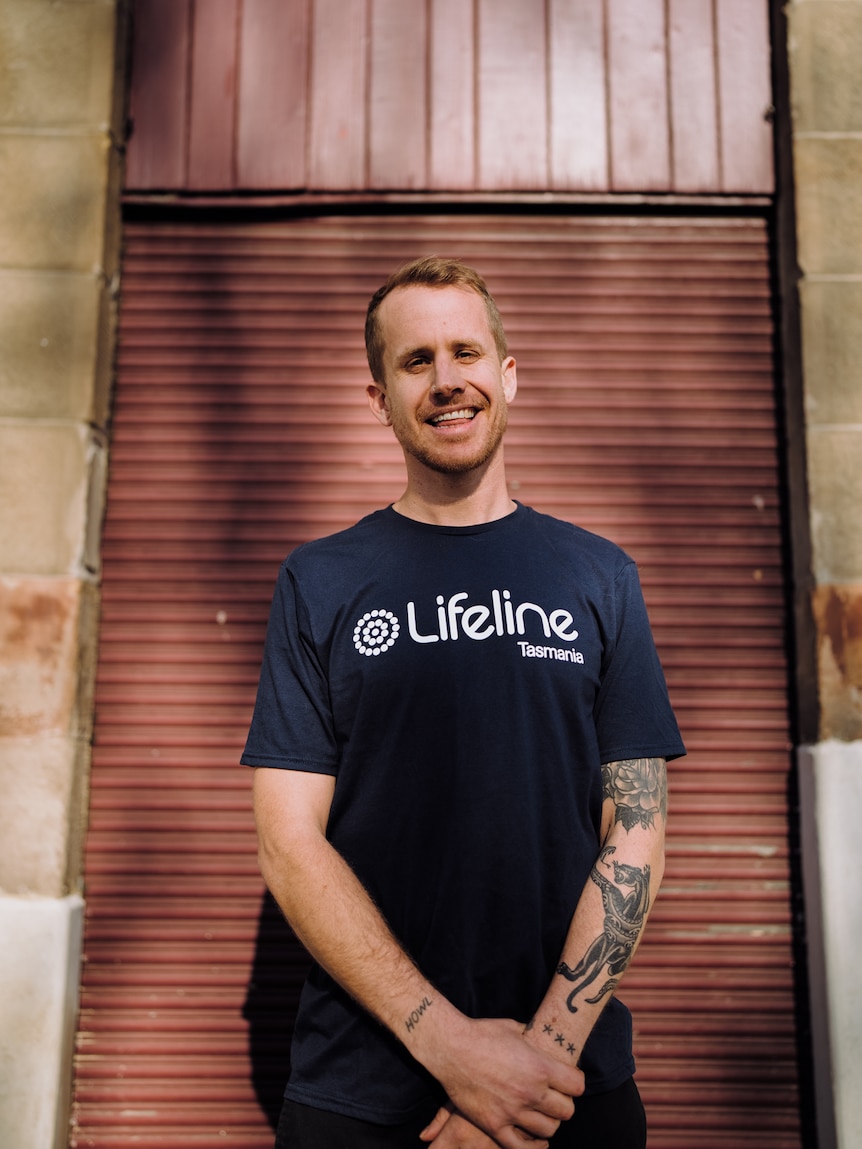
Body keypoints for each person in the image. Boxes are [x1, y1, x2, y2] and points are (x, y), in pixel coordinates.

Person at [242, 256, 685, 1149]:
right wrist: (457, 1053)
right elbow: (288, 842)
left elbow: (635, 824)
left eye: (466, 351)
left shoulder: (599, 575)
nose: (448, 379)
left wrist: (533, 1064)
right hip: (360, 1091)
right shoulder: (320, 580)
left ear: (507, 375)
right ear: (379, 398)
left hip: (568, 1089)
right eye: (416, 361)